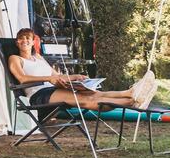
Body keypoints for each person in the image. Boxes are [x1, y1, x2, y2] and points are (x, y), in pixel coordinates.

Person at [8, 28, 141, 111]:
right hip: (39, 94)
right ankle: (132, 103)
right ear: (17, 42)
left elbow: (56, 76)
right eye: (21, 38)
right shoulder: (15, 58)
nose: (24, 41)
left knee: (94, 94)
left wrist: (76, 76)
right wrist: (48, 78)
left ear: (32, 42)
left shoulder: (38, 57)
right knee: (86, 101)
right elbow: (22, 78)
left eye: (28, 38)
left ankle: (130, 93)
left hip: (54, 89)